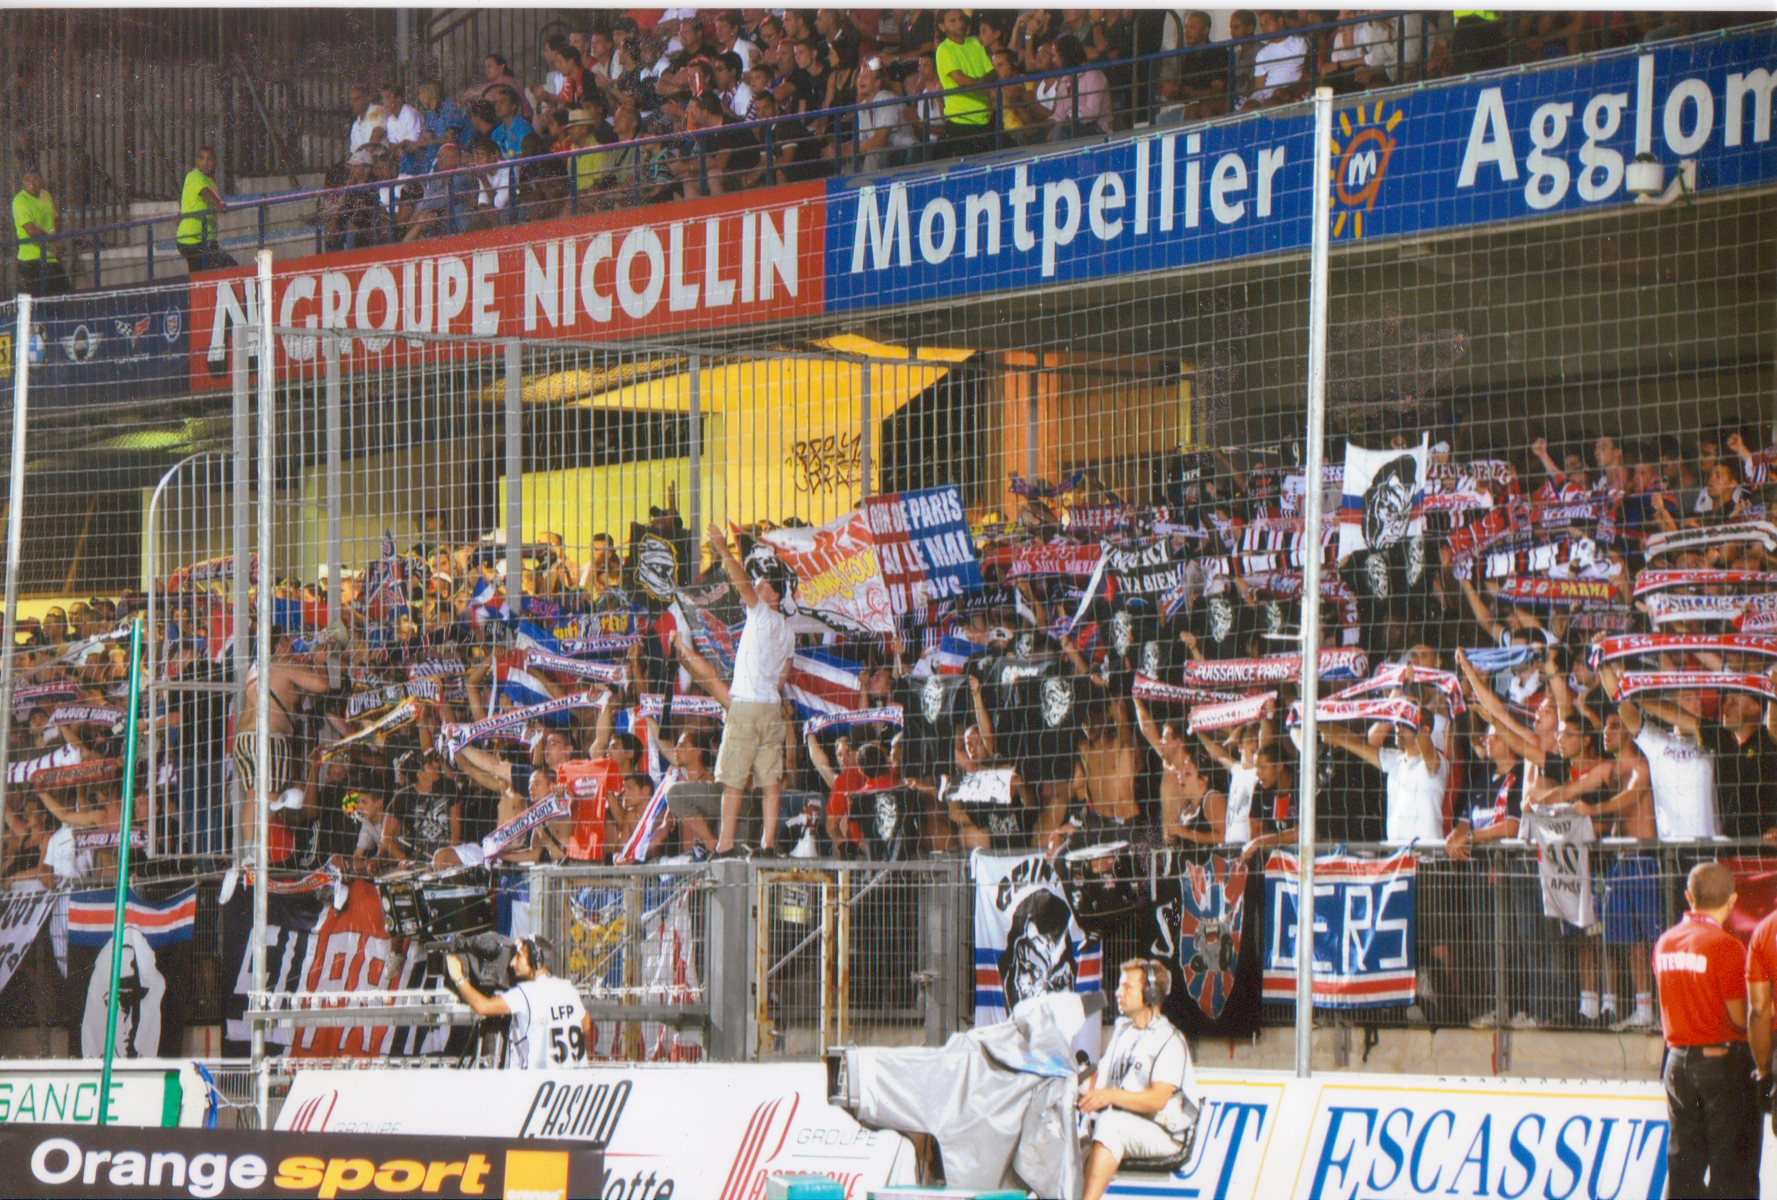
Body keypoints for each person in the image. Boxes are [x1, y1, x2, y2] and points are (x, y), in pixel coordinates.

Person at [1653, 861, 1760, 1198]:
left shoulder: (1665, 942)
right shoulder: (1726, 945)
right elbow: (1740, 1018)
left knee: (1683, 1171)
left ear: (1689, 896)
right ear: (1733, 900)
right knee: (1733, 1174)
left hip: (1676, 1063)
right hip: (1722, 1065)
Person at [706, 524, 794, 857]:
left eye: (764, 583)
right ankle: (767, 844)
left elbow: (740, 582)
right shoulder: (788, 632)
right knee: (770, 782)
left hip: (746, 707)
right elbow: (784, 674)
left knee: (733, 780)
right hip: (771, 708)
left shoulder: (760, 614)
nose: (757, 584)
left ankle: (725, 844)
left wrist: (723, 549)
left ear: (773, 596)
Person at [1080, 958, 1195, 1200]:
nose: (1118, 993)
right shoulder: (1123, 1031)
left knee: (1111, 1125)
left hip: (1164, 1132)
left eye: (1127, 987)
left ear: (1151, 994)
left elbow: (1157, 1100)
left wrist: (1110, 1096)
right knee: (1068, 1136)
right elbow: (1099, 1084)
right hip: (1128, 1122)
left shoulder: (1170, 1040)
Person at [445, 934, 591, 1069]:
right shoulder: (568, 989)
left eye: (519, 957)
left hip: (540, 1083)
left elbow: (483, 1007)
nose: (512, 963)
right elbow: (586, 1024)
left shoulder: (524, 993)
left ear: (536, 961)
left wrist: (459, 978)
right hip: (573, 1081)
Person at [934, 8, 994, 157]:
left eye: (961, 19)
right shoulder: (943, 49)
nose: (960, 23)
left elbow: (992, 72)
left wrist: (980, 84)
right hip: (960, 121)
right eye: (953, 21)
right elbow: (961, 80)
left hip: (986, 117)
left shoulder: (974, 42)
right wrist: (985, 87)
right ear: (942, 26)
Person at [176, 146, 237, 273]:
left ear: (215, 162)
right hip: (194, 240)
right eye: (202, 158)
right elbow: (205, 193)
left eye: (209, 159)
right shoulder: (194, 176)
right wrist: (218, 204)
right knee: (230, 268)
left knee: (201, 273)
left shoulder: (210, 182)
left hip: (204, 240)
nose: (205, 162)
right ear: (196, 160)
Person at [12, 168, 70, 296]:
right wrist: (54, 240)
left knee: (63, 294)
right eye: (28, 180)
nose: (32, 184)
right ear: (23, 182)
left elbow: (55, 220)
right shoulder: (19, 200)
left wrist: (58, 240)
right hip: (30, 259)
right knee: (39, 298)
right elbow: (31, 230)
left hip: (50, 257)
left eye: (36, 179)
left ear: (42, 180)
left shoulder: (45, 195)